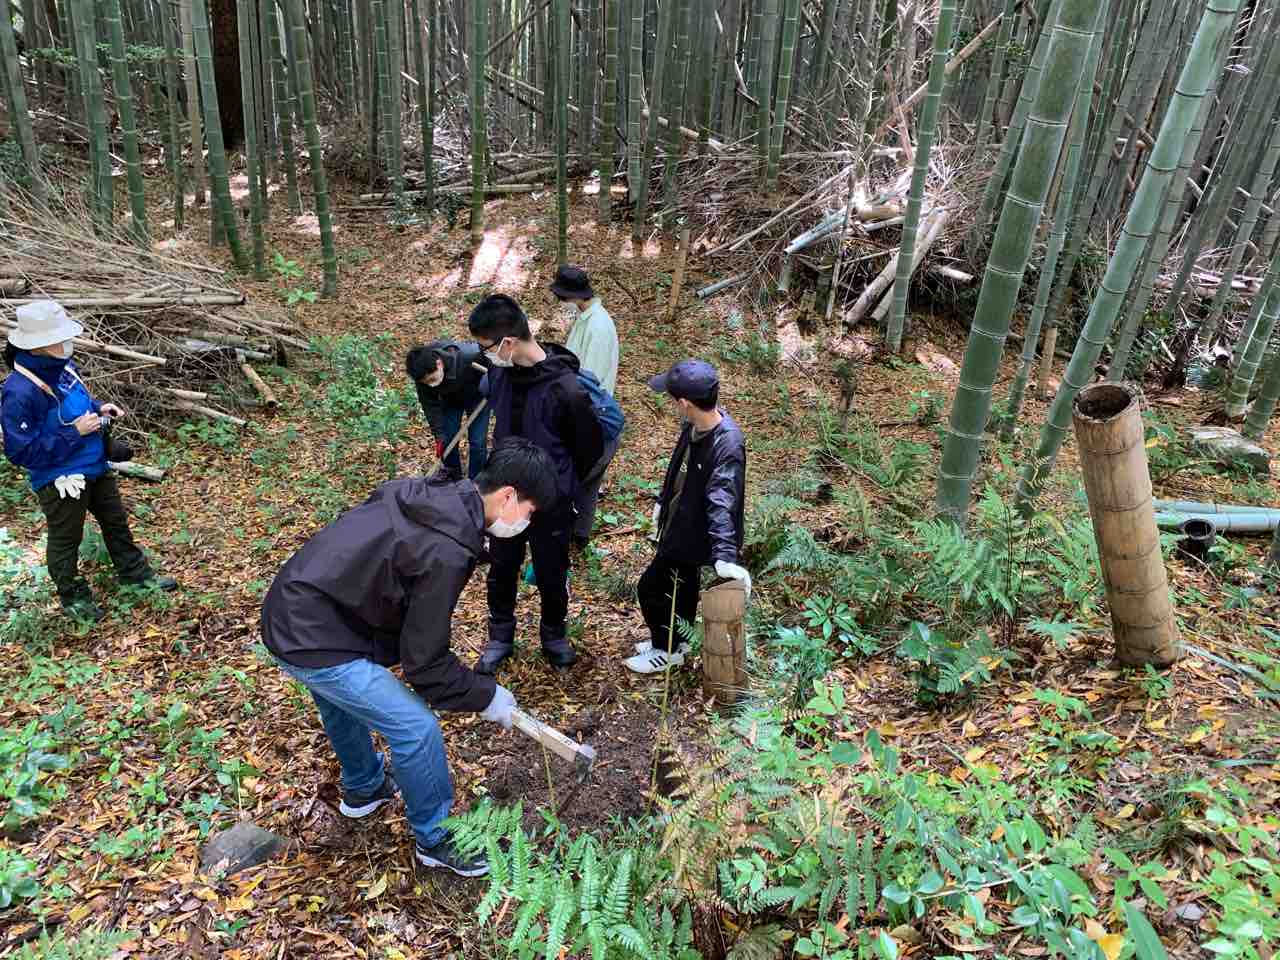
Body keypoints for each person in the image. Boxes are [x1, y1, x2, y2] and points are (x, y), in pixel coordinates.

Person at [260, 438, 558, 876]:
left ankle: (365, 788)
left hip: (295, 607)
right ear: (508, 496)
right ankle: (436, 838)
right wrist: (486, 696)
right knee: (416, 730)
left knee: (340, 700)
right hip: (312, 634)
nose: (526, 523)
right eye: (529, 512)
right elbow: (426, 665)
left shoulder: (432, 496)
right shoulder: (446, 549)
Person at [2, 300, 177, 622]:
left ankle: (137, 577)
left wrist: (98, 408)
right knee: (66, 539)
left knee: (116, 522)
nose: (66, 342)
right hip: (61, 480)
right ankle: (73, 598)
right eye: (58, 337)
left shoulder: (63, 365)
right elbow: (20, 452)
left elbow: (75, 400)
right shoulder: (19, 391)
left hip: (94, 463)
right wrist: (75, 433)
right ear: (38, 345)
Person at [467, 294, 604, 674]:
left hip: (550, 502)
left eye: (487, 347)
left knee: (551, 571)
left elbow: (589, 448)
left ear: (509, 342)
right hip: (503, 496)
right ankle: (500, 636)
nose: (486, 355)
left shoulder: (567, 389)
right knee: (501, 567)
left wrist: (560, 488)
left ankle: (554, 636)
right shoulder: (500, 373)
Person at [627, 359, 750, 674]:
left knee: (651, 588)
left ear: (684, 403)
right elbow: (678, 468)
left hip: (693, 533)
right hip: (678, 522)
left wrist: (725, 555)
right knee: (682, 589)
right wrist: (662, 501)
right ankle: (678, 643)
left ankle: (666, 650)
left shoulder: (727, 443)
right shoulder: (693, 426)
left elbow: (723, 498)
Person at [552, 265, 621, 549]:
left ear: (574, 296)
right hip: (586, 412)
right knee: (587, 481)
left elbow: (588, 380)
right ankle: (578, 534)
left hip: (592, 415)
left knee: (580, 479)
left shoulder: (598, 326)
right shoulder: (585, 319)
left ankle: (573, 533)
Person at [405, 340, 491, 480]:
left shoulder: (471, 356)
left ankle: (476, 481)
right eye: (427, 383)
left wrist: (491, 384)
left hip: (478, 398)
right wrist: (439, 435)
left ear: (439, 363)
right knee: (447, 441)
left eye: (432, 379)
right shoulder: (422, 376)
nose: (431, 385)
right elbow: (430, 406)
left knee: (477, 443)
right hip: (450, 401)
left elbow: (498, 370)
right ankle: (452, 479)